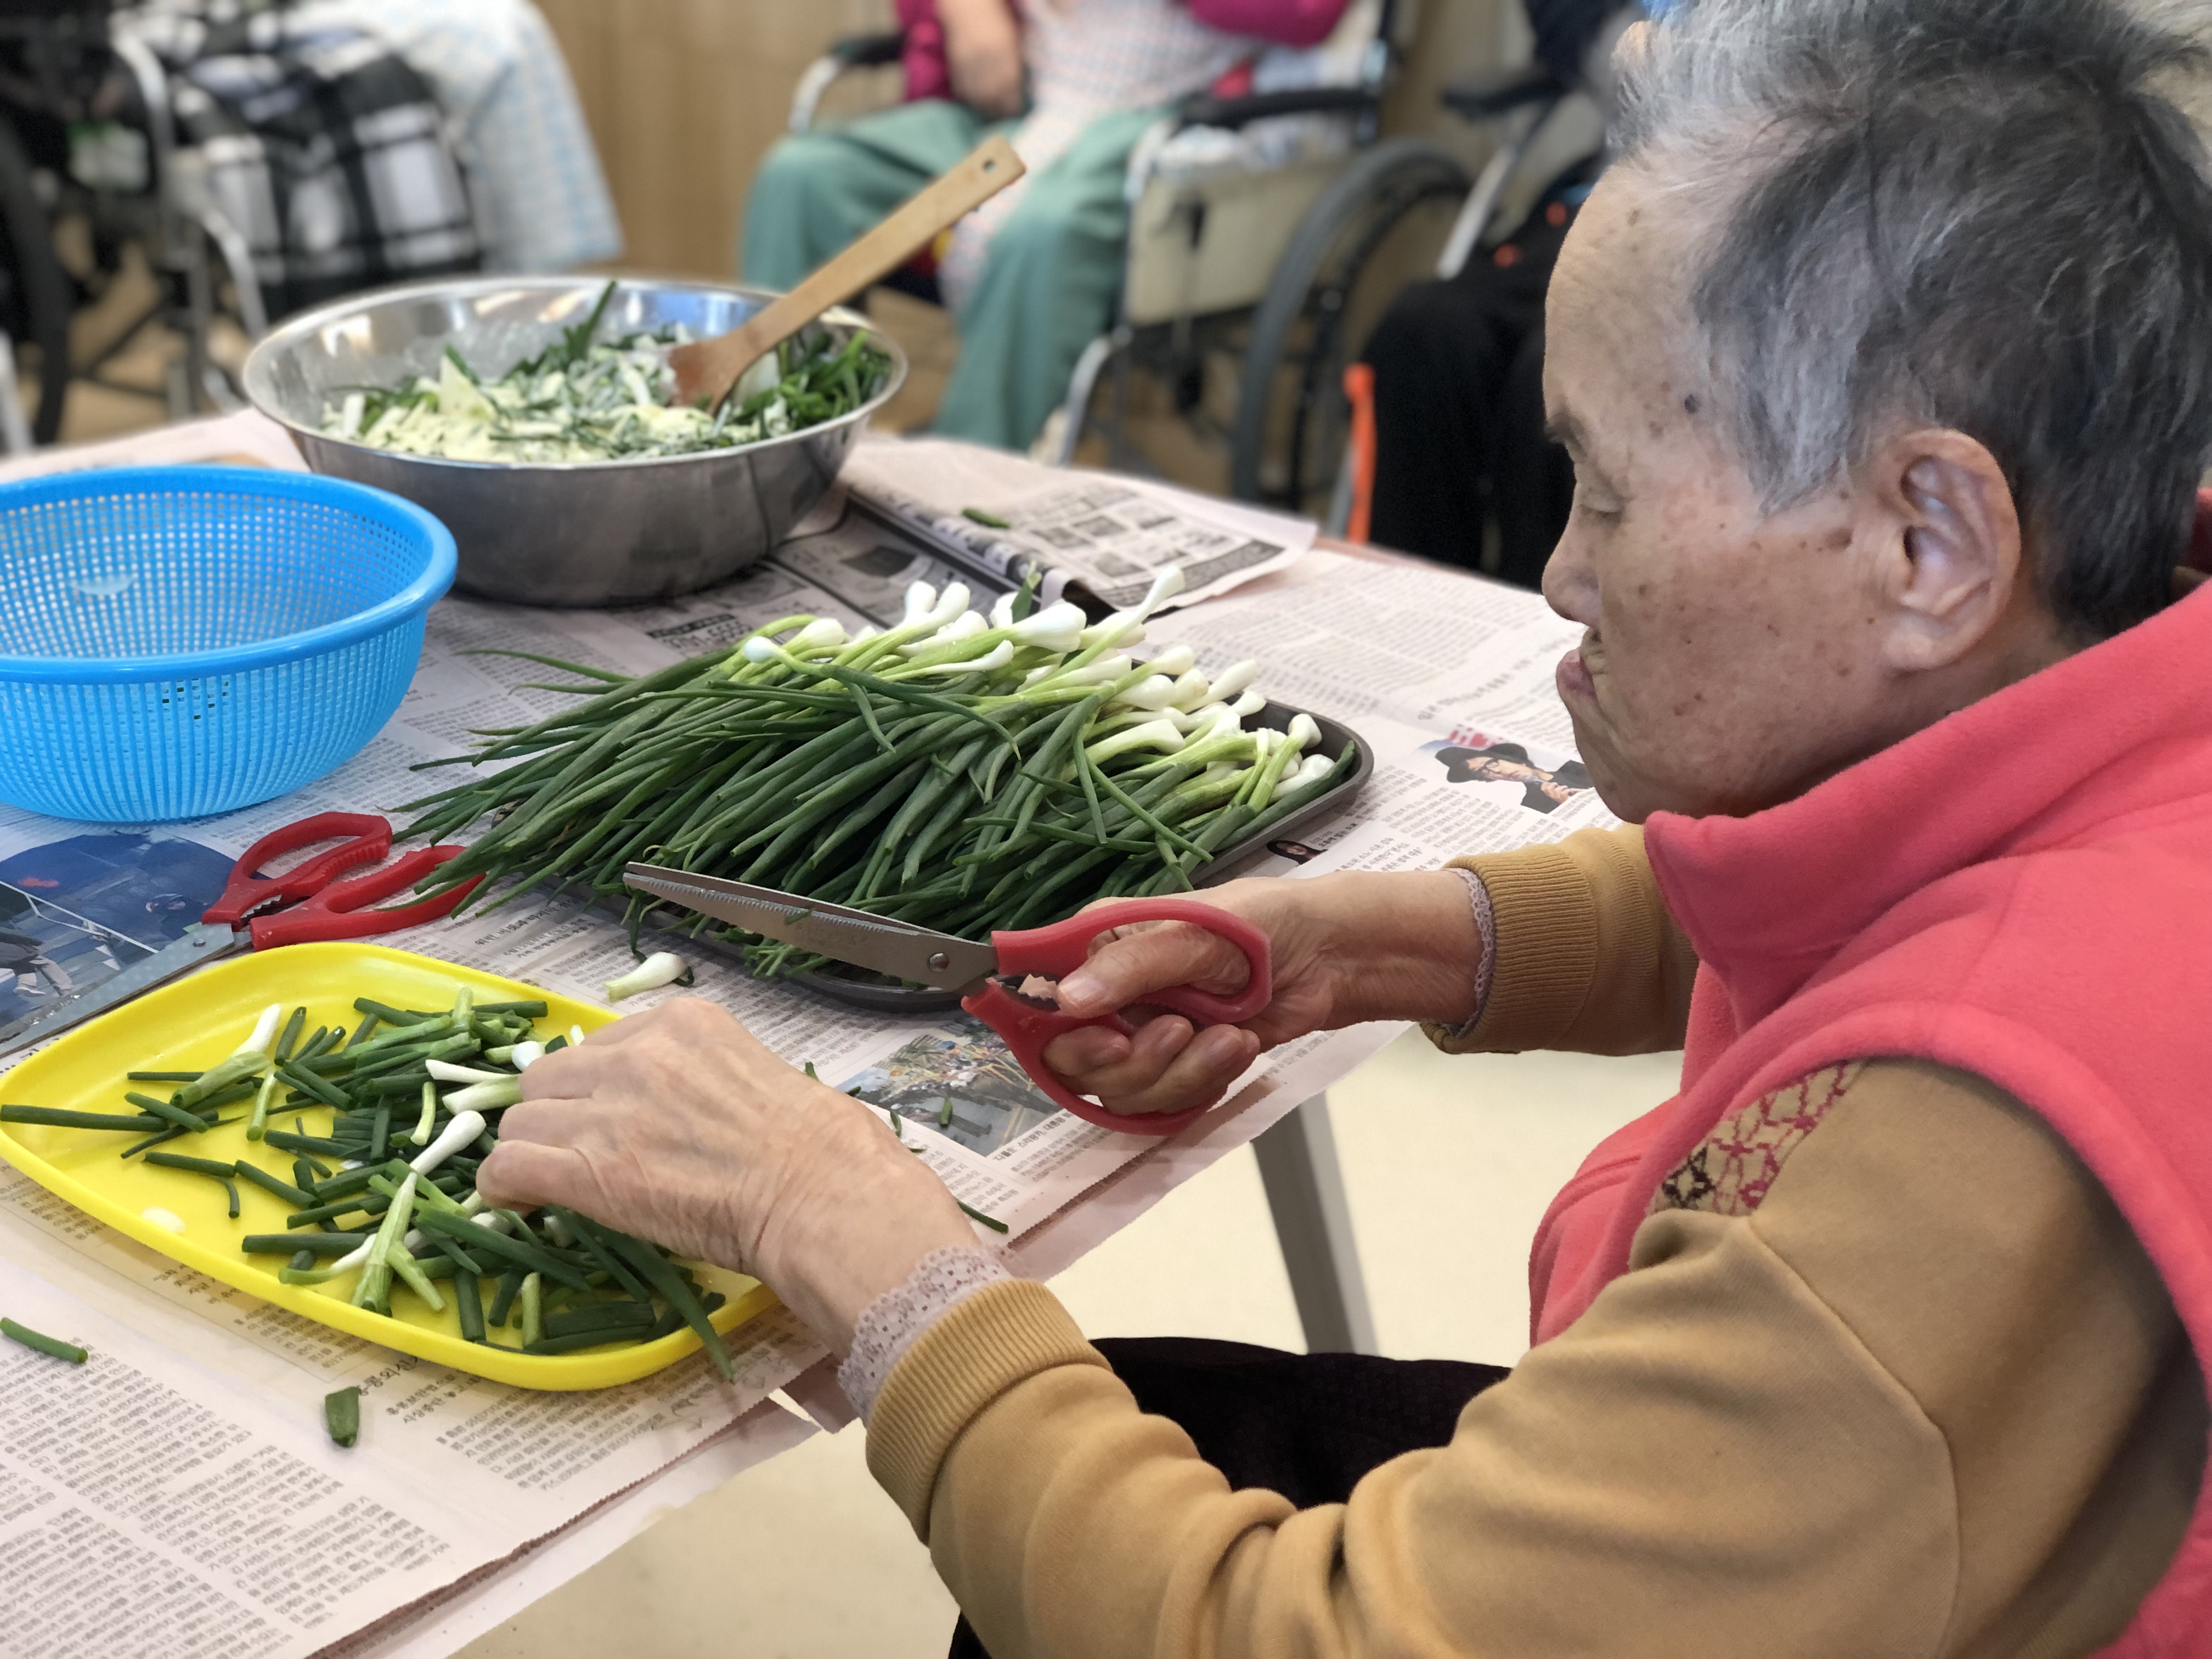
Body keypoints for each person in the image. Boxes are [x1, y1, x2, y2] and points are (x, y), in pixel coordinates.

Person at [481, 0, 2212, 1651]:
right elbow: (1815, 897)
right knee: (1141, 1423)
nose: (1560, 574)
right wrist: (1367, 948)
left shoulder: (1954, 1182)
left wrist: (844, 1224)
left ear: (1930, 543)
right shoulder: (2121, 688)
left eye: (1606, 494)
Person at [742, 0, 1350, 454]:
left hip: (1153, 118)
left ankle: (962, 479)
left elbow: (1306, 11)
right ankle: (772, 437)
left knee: (1042, 230)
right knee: (803, 178)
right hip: (1015, 98)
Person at [1358, 0, 1637, 584]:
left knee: (1557, 370)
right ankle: (1404, 602)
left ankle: (1539, 618)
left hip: (1722, 230)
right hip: (1595, 201)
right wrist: (1631, 48)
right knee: (1425, 328)